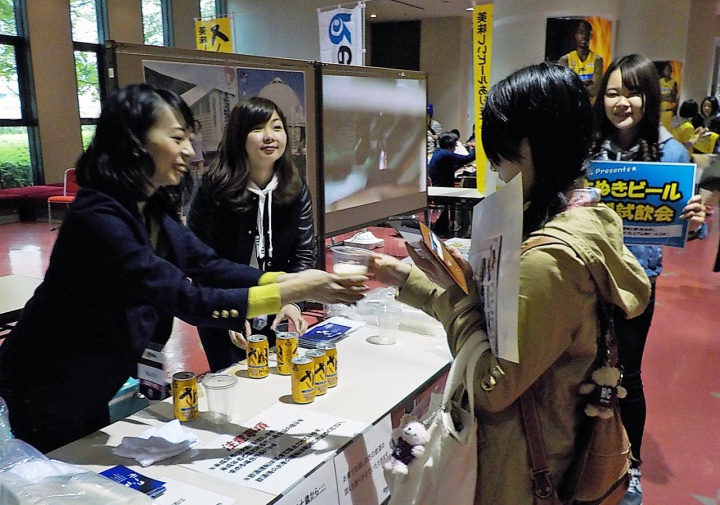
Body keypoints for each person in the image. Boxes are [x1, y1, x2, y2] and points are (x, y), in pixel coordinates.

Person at [0, 84, 366, 453]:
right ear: (134, 141)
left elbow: (206, 263)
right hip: (50, 376)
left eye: (190, 138)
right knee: (57, 470)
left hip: (94, 373)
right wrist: (298, 289)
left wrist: (291, 280)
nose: (190, 152)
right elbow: (187, 298)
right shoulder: (98, 217)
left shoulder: (148, 207)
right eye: (178, 138)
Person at [370, 62, 651, 504]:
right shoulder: (575, 222)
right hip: (548, 450)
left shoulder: (550, 258)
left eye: (506, 153)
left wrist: (460, 300)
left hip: (522, 472)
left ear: (542, 143)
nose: (499, 169)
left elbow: (490, 388)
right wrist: (410, 279)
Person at [590, 53, 706, 505]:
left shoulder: (672, 152)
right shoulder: (587, 147)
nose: (622, 102)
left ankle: (631, 463)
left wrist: (696, 220)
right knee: (579, 367)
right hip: (586, 273)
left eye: (633, 93)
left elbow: (690, 226)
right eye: (613, 93)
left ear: (649, 98)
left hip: (638, 279)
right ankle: (584, 454)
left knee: (628, 375)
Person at [187, 97, 317, 372]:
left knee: (279, 380)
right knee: (235, 382)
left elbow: (304, 252)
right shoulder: (214, 186)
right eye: (258, 128)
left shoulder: (295, 186)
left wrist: (295, 300)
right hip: (222, 309)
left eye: (277, 127)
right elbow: (199, 260)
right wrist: (230, 311)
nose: (269, 137)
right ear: (239, 136)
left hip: (277, 306)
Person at [427, 131, 475, 237]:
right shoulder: (446, 154)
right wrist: (477, 148)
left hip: (437, 188)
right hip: (441, 191)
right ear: (451, 145)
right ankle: (457, 228)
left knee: (451, 205)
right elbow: (467, 159)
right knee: (462, 203)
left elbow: (449, 168)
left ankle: (443, 228)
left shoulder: (439, 152)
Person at [558, 19, 604, 102]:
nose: (584, 36)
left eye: (587, 33)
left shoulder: (597, 59)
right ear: (575, 35)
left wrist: (576, 83)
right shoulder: (565, 60)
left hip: (591, 108)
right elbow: (563, 89)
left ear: (591, 36)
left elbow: (595, 90)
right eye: (581, 32)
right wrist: (586, 83)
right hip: (572, 106)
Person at [658, 62, 679, 132]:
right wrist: (666, 96)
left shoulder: (673, 82)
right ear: (663, 71)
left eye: (668, 70)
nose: (667, 72)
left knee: (669, 131)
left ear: (671, 71)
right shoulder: (660, 81)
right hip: (660, 111)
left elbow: (673, 98)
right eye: (666, 70)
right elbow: (658, 96)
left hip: (669, 112)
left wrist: (663, 97)